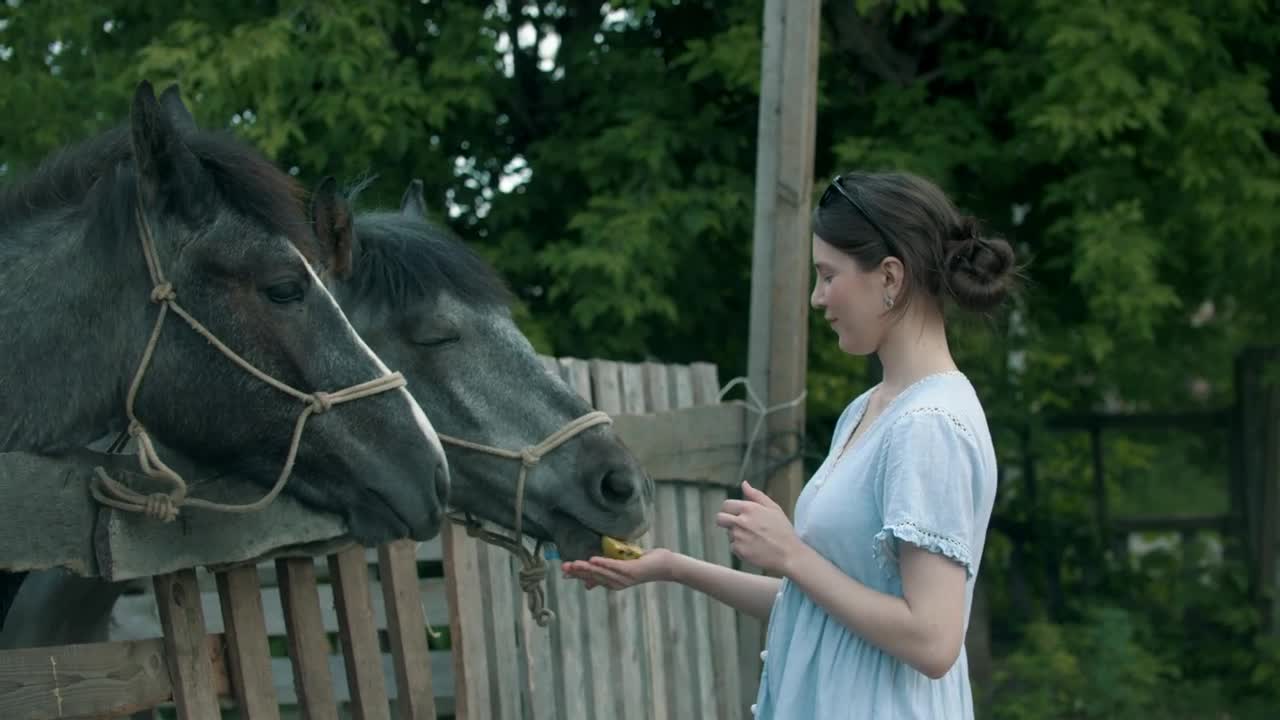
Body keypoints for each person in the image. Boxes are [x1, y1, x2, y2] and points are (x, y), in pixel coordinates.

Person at [561, 170, 1019, 718]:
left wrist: (792, 554)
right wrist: (672, 567)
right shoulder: (871, 409)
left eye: (828, 275)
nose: (817, 297)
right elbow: (816, 607)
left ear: (890, 277)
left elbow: (933, 641)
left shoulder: (930, 424)